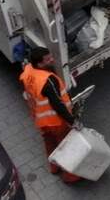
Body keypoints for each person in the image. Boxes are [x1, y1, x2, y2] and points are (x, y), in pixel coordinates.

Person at [20, 47, 82, 183]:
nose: (52, 60)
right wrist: (72, 120)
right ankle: (70, 176)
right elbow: (58, 104)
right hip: (56, 121)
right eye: (48, 60)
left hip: (41, 119)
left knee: (49, 143)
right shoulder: (48, 81)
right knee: (66, 146)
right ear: (40, 64)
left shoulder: (28, 70)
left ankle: (54, 166)